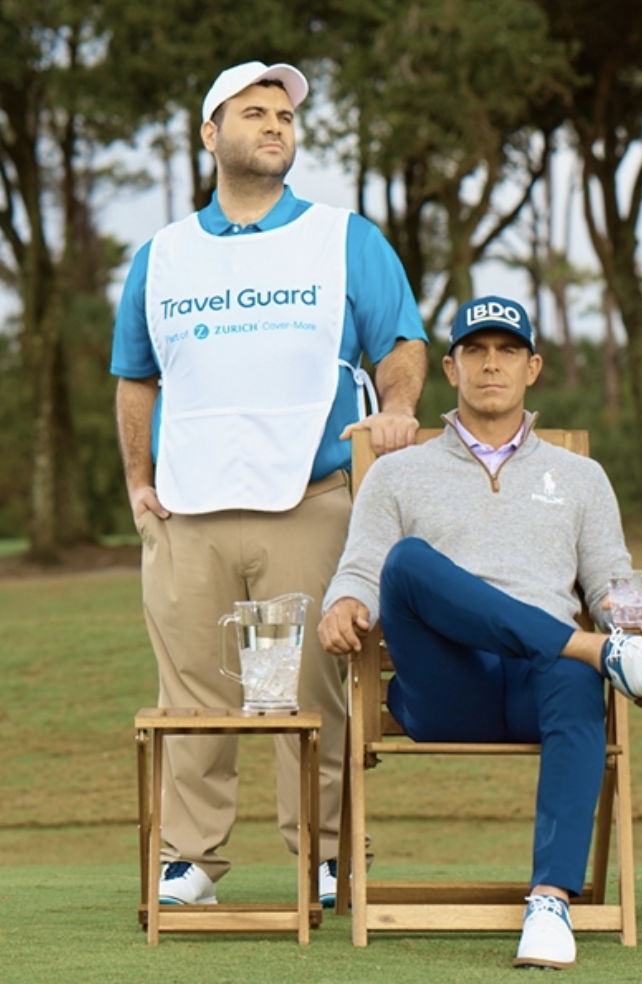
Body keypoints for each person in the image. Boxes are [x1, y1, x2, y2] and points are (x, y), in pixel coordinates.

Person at [110, 61, 428, 907]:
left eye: (284, 115)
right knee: (192, 690)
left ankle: (326, 857)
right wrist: (138, 482)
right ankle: (190, 860)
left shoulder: (344, 237)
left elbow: (401, 342)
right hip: (187, 509)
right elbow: (135, 377)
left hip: (311, 499)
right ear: (210, 134)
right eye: (254, 112)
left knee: (317, 686)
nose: (275, 125)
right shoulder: (162, 257)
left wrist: (399, 408)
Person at [318, 295, 642, 969]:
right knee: (409, 563)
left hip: (536, 690)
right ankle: (597, 653)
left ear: (532, 367)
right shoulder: (398, 473)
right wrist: (342, 603)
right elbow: (363, 569)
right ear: (451, 368)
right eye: (476, 351)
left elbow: (609, 586)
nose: (492, 364)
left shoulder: (580, 478)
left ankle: (549, 904)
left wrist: (631, 614)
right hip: (444, 686)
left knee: (574, 673)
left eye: (508, 351)